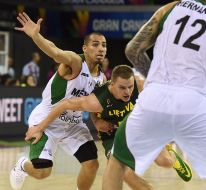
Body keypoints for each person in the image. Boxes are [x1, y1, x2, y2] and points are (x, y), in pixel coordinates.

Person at [102, 0, 206, 189]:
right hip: (194, 107)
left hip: (153, 100)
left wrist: (154, 79)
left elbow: (132, 49)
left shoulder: (171, 7)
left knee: (117, 163)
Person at [25, 64, 192, 189]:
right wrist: (40, 127)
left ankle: (170, 154)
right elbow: (64, 104)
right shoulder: (97, 100)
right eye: (122, 88)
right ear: (112, 84)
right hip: (113, 135)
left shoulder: (141, 85)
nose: (127, 92)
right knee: (125, 173)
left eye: (130, 87)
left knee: (165, 162)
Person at [10, 12, 106, 190]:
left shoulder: (101, 79)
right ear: (85, 48)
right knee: (43, 173)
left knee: (92, 164)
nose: (101, 48)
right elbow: (54, 51)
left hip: (73, 125)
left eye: (104, 45)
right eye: (95, 44)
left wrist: (98, 121)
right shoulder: (75, 62)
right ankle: (23, 165)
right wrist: (36, 36)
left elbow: (93, 106)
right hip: (46, 121)